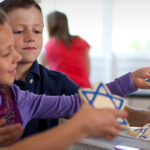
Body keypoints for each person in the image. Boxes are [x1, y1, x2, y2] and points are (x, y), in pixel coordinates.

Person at [1, 0, 150, 146]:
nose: (31, 37)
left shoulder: (44, 88)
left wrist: (131, 84)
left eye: (37, 31)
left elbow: (90, 102)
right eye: (19, 31)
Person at [45, 11, 91, 88]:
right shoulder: (81, 41)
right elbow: (87, 69)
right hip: (84, 89)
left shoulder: (50, 45)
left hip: (62, 90)